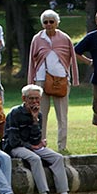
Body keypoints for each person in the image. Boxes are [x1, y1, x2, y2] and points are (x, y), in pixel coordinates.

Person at [2, 85, 83, 194]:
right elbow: (13, 140)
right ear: (24, 98)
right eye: (31, 99)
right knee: (35, 159)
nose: (34, 102)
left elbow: (36, 139)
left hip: (31, 146)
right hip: (15, 147)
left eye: (37, 99)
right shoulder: (15, 113)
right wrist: (31, 147)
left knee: (57, 158)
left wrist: (35, 120)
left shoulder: (38, 114)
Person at [28, 10, 78, 150]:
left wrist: (74, 78)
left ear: (57, 23)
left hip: (60, 81)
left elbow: (72, 59)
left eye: (51, 21)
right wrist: (30, 82)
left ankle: (62, 145)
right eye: (46, 22)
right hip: (40, 81)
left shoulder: (64, 38)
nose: (49, 24)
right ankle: (41, 143)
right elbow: (32, 61)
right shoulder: (37, 39)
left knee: (62, 115)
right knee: (40, 114)